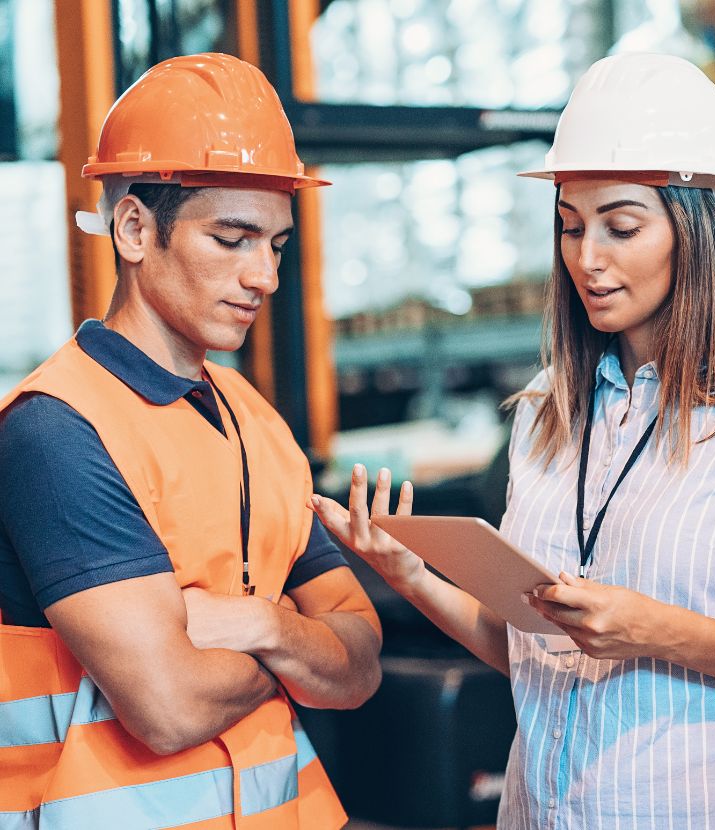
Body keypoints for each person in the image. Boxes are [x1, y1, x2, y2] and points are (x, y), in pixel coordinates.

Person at [312, 52, 715, 829]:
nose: (588, 259)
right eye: (571, 226)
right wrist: (409, 573)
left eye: (621, 227)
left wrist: (657, 631)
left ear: (696, 231)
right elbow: (534, 654)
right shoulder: (548, 411)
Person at [0, 54, 381, 828]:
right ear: (135, 228)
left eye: (274, 245)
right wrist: (299, 655)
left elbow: (362, 664)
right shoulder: (56, 431)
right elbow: (167, 706)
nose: (264, 277)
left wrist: (263, 623)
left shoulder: (251, 416)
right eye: (233, 239)